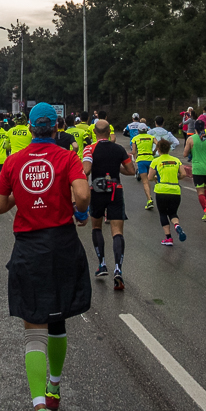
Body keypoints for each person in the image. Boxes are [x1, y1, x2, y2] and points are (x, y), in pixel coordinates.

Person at [0, 102, 91, 411]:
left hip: (30, 247)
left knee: (34, 327)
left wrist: (26, 193)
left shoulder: (16, 161)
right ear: (56, 127)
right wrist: (78, 210)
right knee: (59, 317)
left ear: (31, 128)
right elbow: (82, 195)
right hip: (63, 243)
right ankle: (55, 388)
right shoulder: (67, 158)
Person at [83, 119, 136, 289]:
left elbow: (86, 170)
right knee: (117, 231)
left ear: (95, 133)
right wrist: (115, 167)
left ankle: (102, 264)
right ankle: (118, 269)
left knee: (96, 228)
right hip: (115, 190)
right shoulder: (119, 149)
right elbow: (130, 170)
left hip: (97, 191)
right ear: (109, 132)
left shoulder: (89, 148)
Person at [148, 138, 188, 245]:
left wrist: (156, 178)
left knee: (163, 213)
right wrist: (176, 177)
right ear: (169, 148)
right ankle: (177, 225)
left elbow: (149, 177)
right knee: (173, 212)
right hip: (175, 190)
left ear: (158, 149)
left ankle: (168, 238)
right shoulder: (176, 160)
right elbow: (184, 174)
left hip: (161, 190)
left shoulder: (156, 161)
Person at [130, 125, 157, 210]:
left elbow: (134, 151)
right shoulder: (151, 137)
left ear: (139, 130)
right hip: (151, 159)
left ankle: (149, 200)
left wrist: (135, 161)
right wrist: (154, 151)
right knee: (155, 178)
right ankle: (163, 193)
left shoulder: (135, 138)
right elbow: (159, 144)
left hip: (141, 160)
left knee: (145, 181)